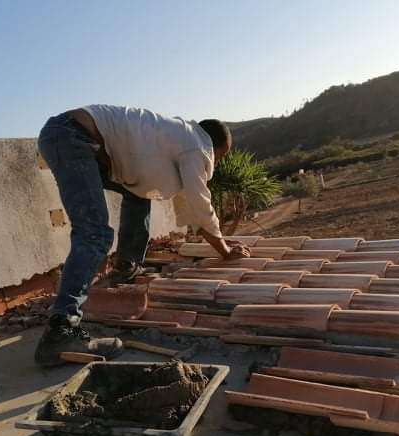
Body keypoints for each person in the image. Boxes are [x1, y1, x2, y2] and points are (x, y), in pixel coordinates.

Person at [34, 104, 250, 367]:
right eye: (222, 156)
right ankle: (61, 330)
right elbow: (199, 204)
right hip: (73, 138)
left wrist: (217, 241)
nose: (219, 161)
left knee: (138, 194)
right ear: (215, 147)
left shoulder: (177, 136)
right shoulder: (196, 146)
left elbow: (187, 205)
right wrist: (225, 251)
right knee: (95, 234)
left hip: (74, 137)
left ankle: (127, 264)